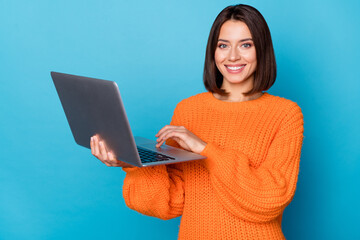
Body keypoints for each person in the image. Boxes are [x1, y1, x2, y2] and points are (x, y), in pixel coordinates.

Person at [90, 4, 304, 240]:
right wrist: (130, 163)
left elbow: (271, 198)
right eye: (223, 45)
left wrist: (204, 149)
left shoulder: (285, 113)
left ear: (261, 50)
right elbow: (171, 202)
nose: (233, 56)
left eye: (246, 44)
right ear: (213, 51)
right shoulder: (188, 110)